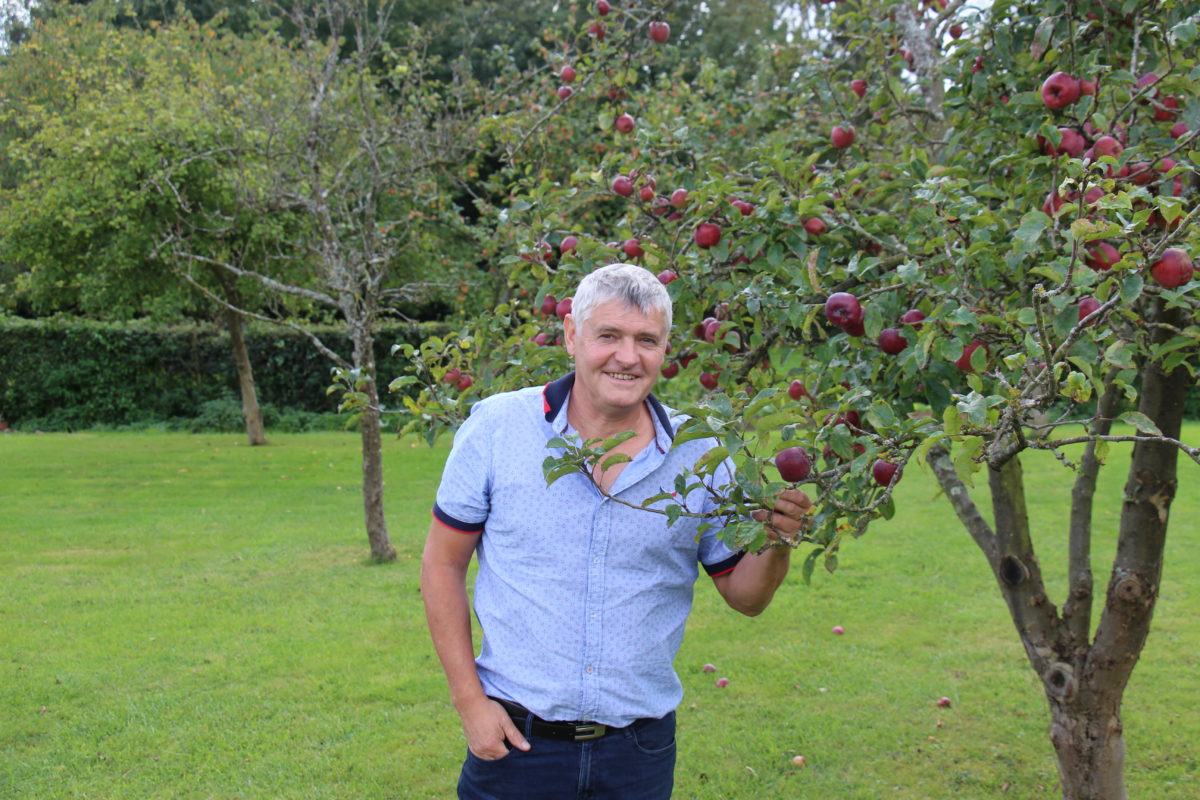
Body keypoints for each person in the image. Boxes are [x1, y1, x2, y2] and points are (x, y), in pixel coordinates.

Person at [422, 263, 813, 800]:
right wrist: (470, 704)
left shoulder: (701, 452)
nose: (628, 357)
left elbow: (746, 598)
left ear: (665, 349)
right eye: (609, 335)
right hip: (517, 743)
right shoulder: (497, 428)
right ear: (571, 336)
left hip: (638, 753)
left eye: (646, 340)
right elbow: (443, 563)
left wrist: (776, 539)